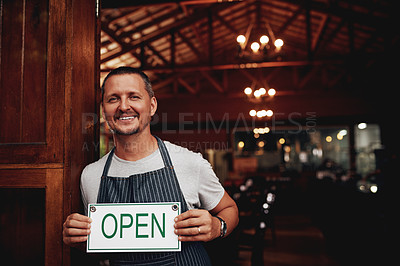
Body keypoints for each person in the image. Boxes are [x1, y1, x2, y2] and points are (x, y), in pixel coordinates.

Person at [63, 66, 239, 265]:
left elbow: (230, 208)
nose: (123, 106)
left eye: (134, 97)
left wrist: (218, 226)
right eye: (113, 99)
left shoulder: (190, 162)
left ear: (152, 105)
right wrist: (78, 240)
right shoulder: (90, 175)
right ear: (104, 110)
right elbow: (99, 249)